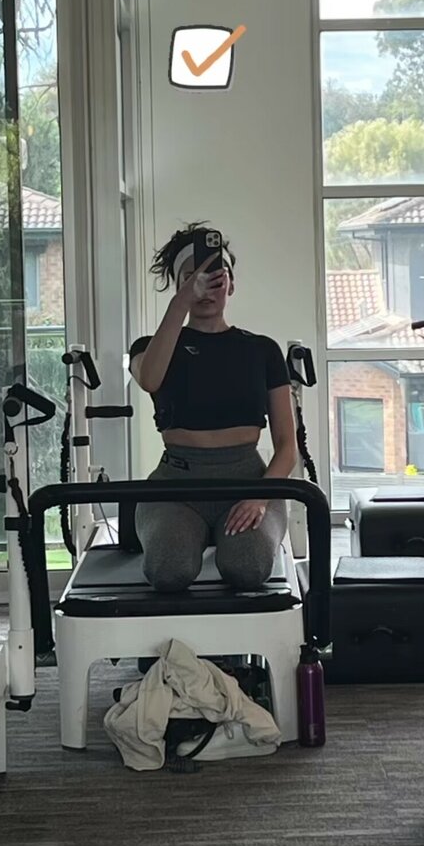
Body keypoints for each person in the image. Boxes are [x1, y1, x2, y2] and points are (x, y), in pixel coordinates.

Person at [129, 222, 297, 593]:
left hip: (246, 480)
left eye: (215, 276)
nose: (205, 286)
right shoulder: (150, 347)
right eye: (192, 277)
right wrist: (181, 303)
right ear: (178, 285)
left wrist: (259, 497)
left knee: (248, 566)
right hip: (177, 484)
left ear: (231, 285)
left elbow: (288, 447)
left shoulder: (262, 350)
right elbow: (150, 379)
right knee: (168, 569)